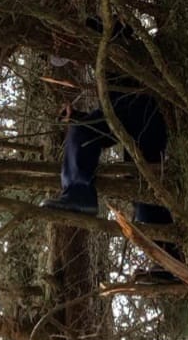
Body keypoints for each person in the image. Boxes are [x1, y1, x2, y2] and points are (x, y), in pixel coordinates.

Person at [39, 21, 178, 283]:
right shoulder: (103, 44)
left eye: (66, 52)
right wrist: (81, 117)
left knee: (82, 133)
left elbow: (115, 107)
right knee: (142, 187)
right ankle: (171, 263)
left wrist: (83, 122)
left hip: (141, 106)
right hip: (144, 115)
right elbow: (111, 112)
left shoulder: (104, 35)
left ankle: (79, 195)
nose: (75, 62)